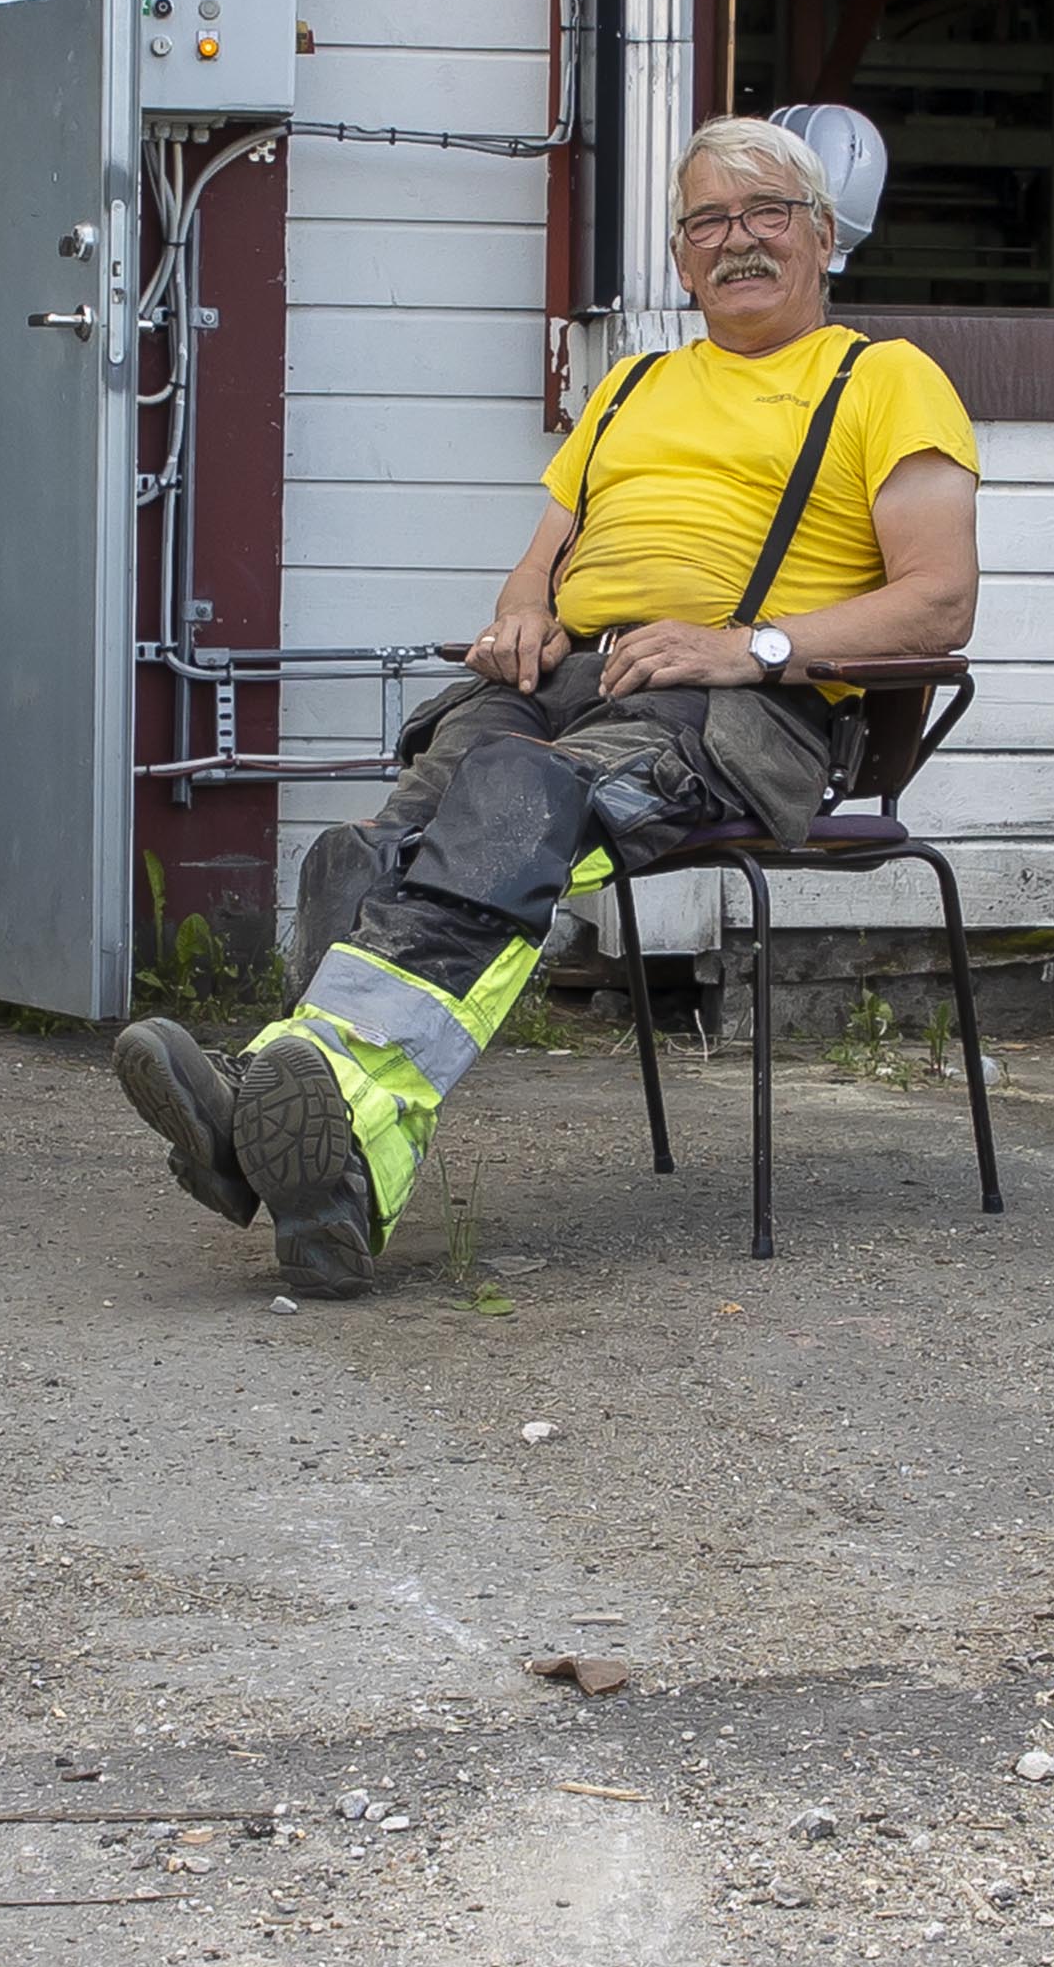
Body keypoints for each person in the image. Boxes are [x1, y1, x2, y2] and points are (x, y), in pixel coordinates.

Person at [109, 111, 982, 1297]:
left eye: (765, 213)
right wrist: (520, 612)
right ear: (678, 257)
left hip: (734, 711)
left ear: (822, 236)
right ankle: (333, 1156)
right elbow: (545, 558)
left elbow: (938, 602)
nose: (736, 240)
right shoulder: (629, 388)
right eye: (707, 220)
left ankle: (293, 1118)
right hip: (559, 681)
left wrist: (749, 643)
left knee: (514, 804)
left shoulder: (882, 378)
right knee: (359, 853)